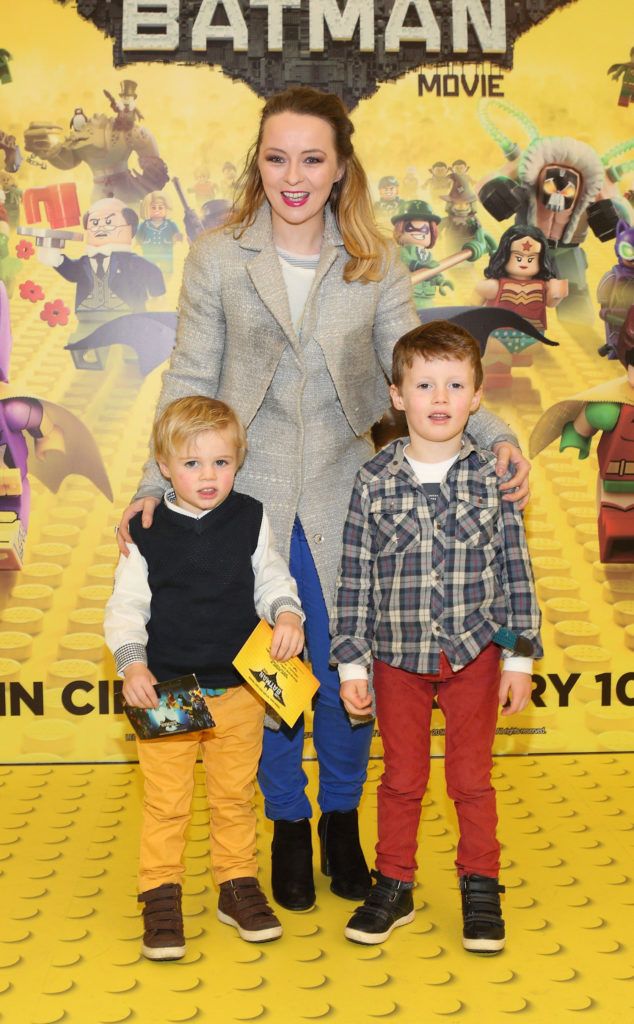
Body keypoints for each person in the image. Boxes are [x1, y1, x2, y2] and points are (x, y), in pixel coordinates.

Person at [116, 86, 531, 915]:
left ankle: (342, 815)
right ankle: (287, 823)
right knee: (267, 675)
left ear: (341, 166)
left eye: (312, 158)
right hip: (248, 497)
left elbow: (420, 368)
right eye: (276, 158)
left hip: (351, 493)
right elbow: (190, 380)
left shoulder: (377, 260)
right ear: (257, 164)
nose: (293, 176)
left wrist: (496, 439)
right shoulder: (217, 257)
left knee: (350, 666)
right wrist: (151, 489)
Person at [331, 321, 542, 952]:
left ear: (477, 397)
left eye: (455, 384)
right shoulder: (372, 481)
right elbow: (354, 578)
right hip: (396, 660)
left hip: (476, 654)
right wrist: (352, 667)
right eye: (424, 384)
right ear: (398, 395)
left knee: (471, 780)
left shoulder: (492, 479)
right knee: (400, 779)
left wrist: (519, 659)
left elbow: (515, 572)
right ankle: (393, 884)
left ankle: (481, 884)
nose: (440, 397)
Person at [105, 396, 304, 959]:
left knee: (234, 798)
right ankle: (160, 893)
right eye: (192, 464)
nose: (208, 476)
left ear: (238, 461)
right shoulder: (146, 529)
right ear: (164, 465)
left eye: (221, 462)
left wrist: (287, 612)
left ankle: (237, 885)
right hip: (166, 690)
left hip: (240, 691)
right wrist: (131, 662)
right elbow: (126, 606)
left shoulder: (251, 516)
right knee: (167, 802)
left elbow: (271, 577)